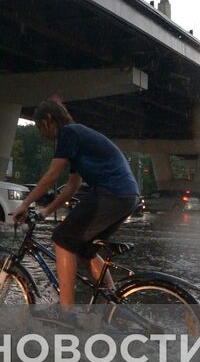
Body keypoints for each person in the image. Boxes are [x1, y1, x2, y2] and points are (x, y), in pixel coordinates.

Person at [9, 100, 140, 306]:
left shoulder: (68, 133)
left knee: (61, 239)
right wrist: (44, 212)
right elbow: (72, 186)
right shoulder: (78, 137)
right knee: (85, 250)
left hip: (111, 193)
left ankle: (66, 312)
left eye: (39, 126)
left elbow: (52, 175)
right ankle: (113, 307)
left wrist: (24, 204)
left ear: (49, 120)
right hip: (127, 197)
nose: (41, 134)